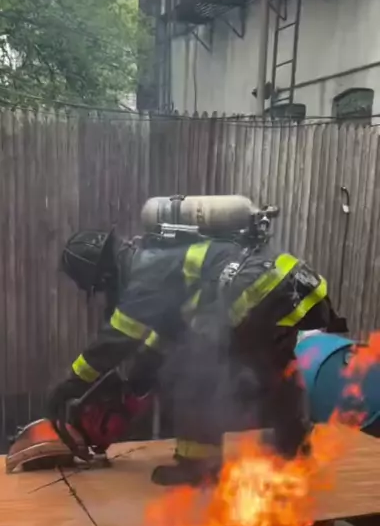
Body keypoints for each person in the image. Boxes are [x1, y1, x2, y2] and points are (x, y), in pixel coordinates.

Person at [47, 204, 346, 486]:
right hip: (293, 282)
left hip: (254, 292)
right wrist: (142, 370)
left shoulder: (144, 273)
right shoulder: (160, 256)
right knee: (275, 365)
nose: (105, 294)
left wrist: (72, 383)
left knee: (191, 369)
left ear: (105, 275)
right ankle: (295, 444)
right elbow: (172, 327)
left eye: (100, 288)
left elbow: (118, 338)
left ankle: (199, 466)